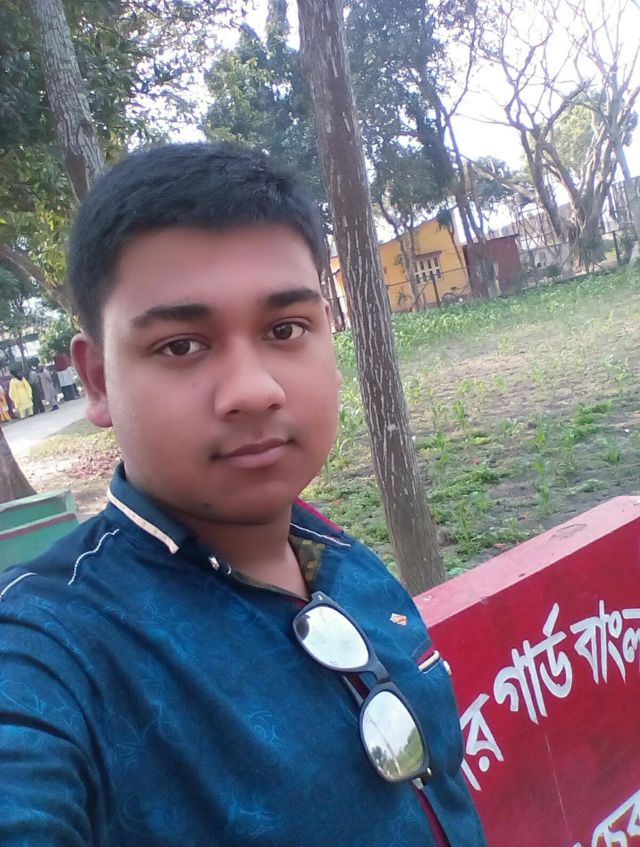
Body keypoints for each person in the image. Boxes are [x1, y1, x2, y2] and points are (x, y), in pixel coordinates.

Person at [0, 143, 487, 847]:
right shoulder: (52, 646)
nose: (255, 390)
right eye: (181, 345)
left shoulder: (336, 556)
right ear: (98, 379)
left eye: (285, 329)